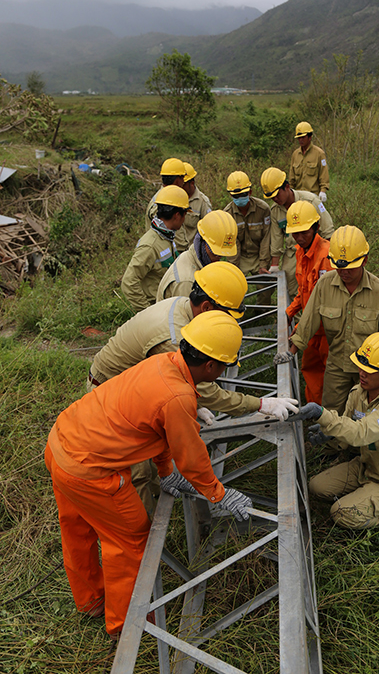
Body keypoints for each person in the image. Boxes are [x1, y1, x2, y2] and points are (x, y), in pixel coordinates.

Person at [45, 311, 299, 640]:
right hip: (90, 470)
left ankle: (91, 599)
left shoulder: (164, 362)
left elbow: (151, 428)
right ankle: (127, 626)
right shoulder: (178, 396)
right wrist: (219, 494)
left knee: (77, 528)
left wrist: (165, 472)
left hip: (61, 443)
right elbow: (191, 457)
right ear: (210, 367)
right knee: (130, 541)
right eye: (224, 365)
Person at [89, 262, 295, 514]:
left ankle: (160, 489)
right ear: (207, 306)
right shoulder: (173, 337)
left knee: (154, 455)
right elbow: (205, 393)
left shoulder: (185, 308)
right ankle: (144, 537)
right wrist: (261, 404)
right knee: (137, 471)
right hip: (110, 396)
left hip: (135, 388)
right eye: (226, 314)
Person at [298, 332, 379, 529]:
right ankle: (365, 494)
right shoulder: (357, 394)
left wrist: (322, 414)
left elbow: (362, 433)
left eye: (370, 370)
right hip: (365, 467)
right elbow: (347, 431)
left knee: (340, 513)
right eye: (362, 367)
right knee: (316, 487)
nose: (362, 373)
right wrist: (330, 434)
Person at [282, 225, 379, 415]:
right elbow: (308, 321)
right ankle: (333, 445)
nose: (343, 272)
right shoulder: (325, 285)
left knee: (367, 414)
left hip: (369, 368)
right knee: (331, 413)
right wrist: (290, 351)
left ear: (364, 260)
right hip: (337, 364)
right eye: (338, 266)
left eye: (349, 267)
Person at [284, 200, 333, 404]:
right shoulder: (300, 251)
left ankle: (332, 419)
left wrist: (301, 328)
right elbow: (303, 291)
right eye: (295, 233)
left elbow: (327, 304)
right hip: (310, 330)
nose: (299, 237)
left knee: (332, 376)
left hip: (328, 331)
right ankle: (315, 413)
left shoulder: (326, 257)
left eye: (304, 232)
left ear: (316, 227)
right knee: (310, 370)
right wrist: (289, 312)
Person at [260, 167, 334, 299]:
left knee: (318, 285)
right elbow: (276, 239)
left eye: (277, 195)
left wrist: (328, 257)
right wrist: (275, 265)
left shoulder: (311, 201)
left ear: (287, 187)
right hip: (293, 252)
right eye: (272, 197)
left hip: (316, 248)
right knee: (292, 286)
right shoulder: (276, 210)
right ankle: (299, 317)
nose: (275, 199)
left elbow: (327, 231)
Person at [121, 185, 189, 312]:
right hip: (158, 309)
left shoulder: (167, 236)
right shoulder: (150, 246)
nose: (184, 220)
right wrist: (147, 311)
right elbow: (129, 282)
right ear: (177, 215)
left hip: (168, 304)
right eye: (185, 214)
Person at [156, 209, 238, 301]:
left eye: (222, 254)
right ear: (201, 241)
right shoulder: (186, 282)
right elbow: (187, 315)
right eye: (215, 252)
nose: (218, 257)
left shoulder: (199, 260)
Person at [223, 170, 272, 307]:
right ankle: (239, 312)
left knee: (266, 286)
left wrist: (263, 264)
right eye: (236, 195)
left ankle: (263, 311)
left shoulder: (263, 209)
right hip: (241, 256)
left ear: (250, 192)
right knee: (234, 287)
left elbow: (266, 238)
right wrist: (234, 268)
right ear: (231, 195)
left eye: (243, 194)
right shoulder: (227, 215)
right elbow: (233, 244)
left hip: (258, 254)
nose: (240, 198)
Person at [146, 157, 189, 254]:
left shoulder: (169, 198)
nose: (183, 181)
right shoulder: (161, 202)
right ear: (177, 180)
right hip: (166, 253)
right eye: (182, 177)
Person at [289, 121, 329, 201]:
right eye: (299, 138)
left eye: (303, 137)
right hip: (299, 197)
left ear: (309, 137)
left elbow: (323, 174)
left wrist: (323, 191)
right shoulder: (295, 154)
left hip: (313, 198)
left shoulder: (319, 154)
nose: (300, 140)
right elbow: (292, 178)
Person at [180, 162, 213, 244]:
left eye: (183, 184)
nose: (179, 186)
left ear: (191, 183)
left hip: (192, 252)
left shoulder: (203, 202)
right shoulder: (175, 198)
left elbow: (209, 231)